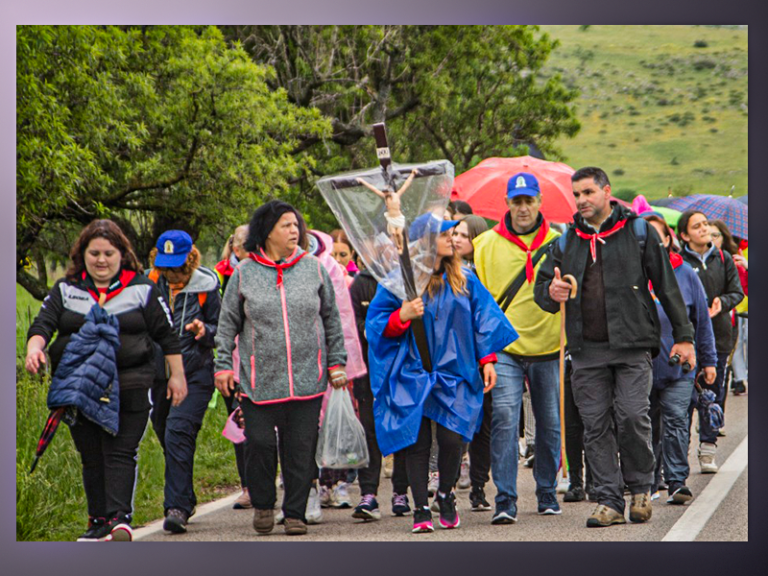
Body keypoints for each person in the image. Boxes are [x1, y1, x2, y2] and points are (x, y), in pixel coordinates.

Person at [534, 167, 696, 528]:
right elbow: (543, 288)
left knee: (632, 416)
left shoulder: (638, 232)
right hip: (586, 350)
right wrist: (551, 292)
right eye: (576, 194)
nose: (581, 201)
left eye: (588, 193)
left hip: (633, 345)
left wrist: (684, 338)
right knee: (594, 425)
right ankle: (608, 499)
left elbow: (667, 287)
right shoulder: (565, 240)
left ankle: (640, 489)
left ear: (607, 192)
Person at [25, 219, 186, 542]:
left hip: (132, 384)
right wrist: (34, 349)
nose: (101, 260)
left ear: (121, 255)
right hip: (78, 387)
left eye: (108, 253)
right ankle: (98, 519)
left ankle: (119, 519)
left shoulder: (142, 289)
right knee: (92, 455)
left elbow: (166, 336)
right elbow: (43, 324)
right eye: (94, 253)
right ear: (82, 254)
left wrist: (177, 377)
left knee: (120, 450)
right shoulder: (66, 290)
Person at [367, 213, 518, 533]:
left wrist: (488, 359)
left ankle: (446, 493)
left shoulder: (465, 278)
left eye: (454, 233)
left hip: (455, 372)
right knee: (417, 442)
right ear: (425, 241)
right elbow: (376, 326)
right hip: (412, 372)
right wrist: (402, 315)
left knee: (453, 438)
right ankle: (421, 507)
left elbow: (483, 320)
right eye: (445, 234)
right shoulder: (400, 281)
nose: (453, 238)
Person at [214, 200, 348, 537]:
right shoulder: (244, 273)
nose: (295, 231)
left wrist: (336, 362)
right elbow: (227, 324)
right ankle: (262, 503)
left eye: (296, 225)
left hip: (308, 378)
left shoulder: (313, 268)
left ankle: (294, 513)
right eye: (287, 225)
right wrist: (222, 367)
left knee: (300, 448)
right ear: (268, 230)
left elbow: (332, 318)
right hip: (259, 381)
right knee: (258, 445)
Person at [473, 172, 565, 524]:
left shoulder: (560, 243)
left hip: (549, 346)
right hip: (505, 349)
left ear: (540, 202)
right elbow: (476, 300)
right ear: (507, 204)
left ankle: (545, 491)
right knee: (505, 418)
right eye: (517, 201)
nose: (523, 207)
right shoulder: (485, 244)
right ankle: (506, 499)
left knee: (550, 423)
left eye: (529, 200)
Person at [147, 230, 221, 534]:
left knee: (179, 429)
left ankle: (176, 507)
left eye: (178, 266)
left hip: (195, 372)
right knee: (165, 431)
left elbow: (222, 326)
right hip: (158, 375)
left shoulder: (207, 287)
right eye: (166, 266)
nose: (172, 273)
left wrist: (205, 330)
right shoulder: (149, 285)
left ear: (191, 259)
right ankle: (186, 496)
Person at [643, 214, 717, 505]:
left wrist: (709, 360)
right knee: (644, 425)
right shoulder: (629, 275)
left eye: (655, 236)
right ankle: (647, 481)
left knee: (676, 420)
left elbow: (701, 320)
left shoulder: (685, 273)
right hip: (639, 367)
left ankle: (676, 480)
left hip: (679, 368)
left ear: (668, 239)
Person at [677, 211, 743, 473]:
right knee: (681, 399)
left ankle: (708, 447)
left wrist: (721, 303)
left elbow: (736, 292)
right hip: (685, 339)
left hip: (719, 335)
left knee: (711, 395)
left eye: (705, 224)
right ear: (684, 235)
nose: (704, 229)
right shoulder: (678, 261)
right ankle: (677, 455)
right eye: (697, 226)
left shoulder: (722, 257)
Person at [349, 255, 412, 519]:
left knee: (405, 430)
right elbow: (353, 323)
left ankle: (401, 491)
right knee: (370, 430)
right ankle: (369, 494)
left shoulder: (409, 280)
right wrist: (375, 329)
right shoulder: (361, 283)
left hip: (404, 366)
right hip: (368, 367)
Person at [450, 214, 490, 494]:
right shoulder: (445, 270)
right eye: (455, 234)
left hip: (482, 354)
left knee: (484, 423)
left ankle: (479, 483)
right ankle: (449, 476)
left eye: (464, 235)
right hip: (455, 355)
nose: (457, 239)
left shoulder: (485, 272)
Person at [214, 225, 251, 510]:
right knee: (240, 423)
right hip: (233, 363)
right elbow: (223, 325)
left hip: (261, 361)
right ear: (236, 249)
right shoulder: (221, 277)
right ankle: (248, 486)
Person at [709, 220, 748, 396]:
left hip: (732, 316)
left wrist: (746, 267)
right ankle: (738, 379)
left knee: (735, 349)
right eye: (706, 234)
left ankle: (714, 419)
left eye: (715, 235)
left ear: (723, 238)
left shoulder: (730, 259)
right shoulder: (691, 262)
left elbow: (743, 290)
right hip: (703, 322)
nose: (710, 239)